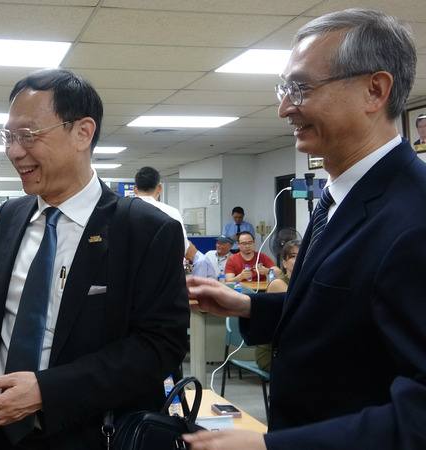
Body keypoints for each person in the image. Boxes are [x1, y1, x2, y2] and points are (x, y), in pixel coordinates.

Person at [185, 9, 426, 450]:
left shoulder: (414, 217)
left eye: (300, 88)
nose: (284, 108)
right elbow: (344, 315)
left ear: (374, 90)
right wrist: (248, 306)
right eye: (284, 89)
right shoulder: (336, 199)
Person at [0, 69, 189, 450]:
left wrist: (46, 391)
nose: (14, 151)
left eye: (28, 135)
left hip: (88, 434)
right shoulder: (12, 216)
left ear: (82, 133)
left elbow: (159, 346)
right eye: (8, 137)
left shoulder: (144, 229)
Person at [254, 240, 298, 372]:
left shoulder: (304, 283)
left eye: (303, 255)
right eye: (293, 256)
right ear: (284, 263)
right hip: (274, 353)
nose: (299, 259)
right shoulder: (278, 284)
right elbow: (298, 315)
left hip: (294, 347)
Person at [133, 166, 188, 252]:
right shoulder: (172, 212)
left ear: (135, 189)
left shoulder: (123, 211)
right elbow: (183, 246)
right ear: (159, 188)